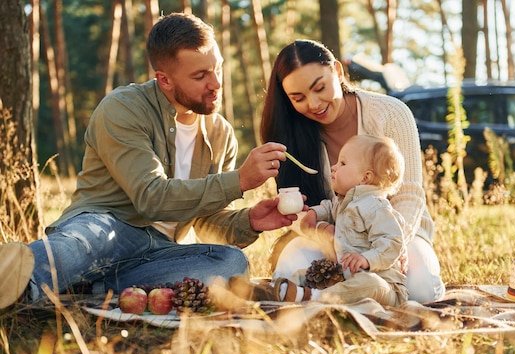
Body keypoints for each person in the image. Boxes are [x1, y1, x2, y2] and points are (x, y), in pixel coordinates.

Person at [0, 13, 298, 309]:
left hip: (158, 252)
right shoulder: (122, 109)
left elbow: (207, 221)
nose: (216, 83)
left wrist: (250, 221)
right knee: (86, 240)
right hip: (107, 227)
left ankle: (93, 286)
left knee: (230, 261)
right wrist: (241, 180)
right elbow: (150, 197)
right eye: (200, 76)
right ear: (164, 80)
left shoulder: (221, 134)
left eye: (217, 68)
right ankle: (19, 281)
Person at [260, 39, 445, 303]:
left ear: (337, 71)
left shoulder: (391, 114)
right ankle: (333, 298)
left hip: (396, 233)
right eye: (298, 98)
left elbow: (410, 195)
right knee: (290, 272)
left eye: (319, 88)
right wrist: (323, 230)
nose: (313, 104)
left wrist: (394, 245)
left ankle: (335, 297)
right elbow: (298, 211)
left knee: (422, 291)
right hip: (334, 241)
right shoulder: (289, 135)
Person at [273, 135, 408, 307]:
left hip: (385, 286)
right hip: (348, 276)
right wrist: (315, 213)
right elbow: (329, 207)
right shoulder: (343, 202)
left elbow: (392, 243)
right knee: (304, 273)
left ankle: (313, 297)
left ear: (365, 178)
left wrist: (366, 259)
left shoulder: (376, 207)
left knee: (369, 284)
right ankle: (278, 289)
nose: (334, 167)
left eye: (342, 164)